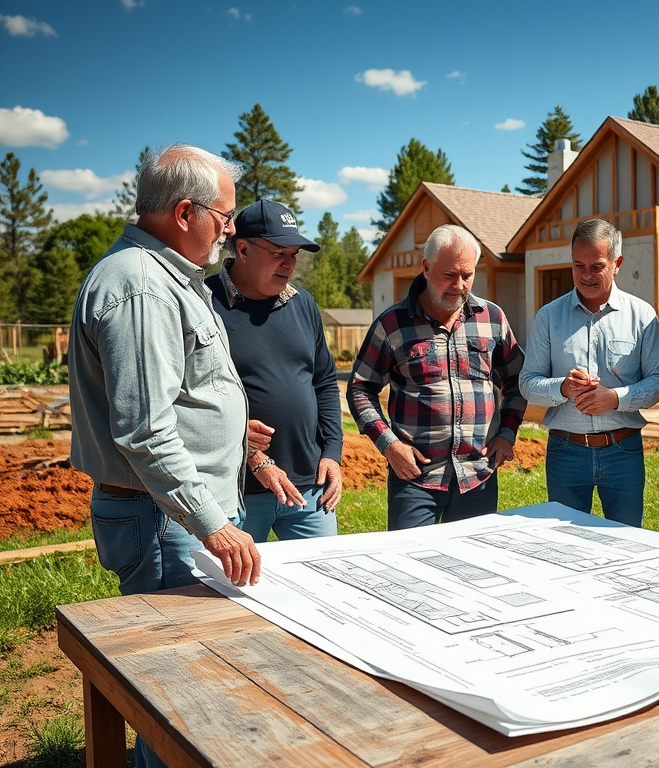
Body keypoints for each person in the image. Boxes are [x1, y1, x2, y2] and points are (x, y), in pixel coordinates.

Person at [68, 144, 259, 768]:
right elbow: (146, 430)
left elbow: (173, 399)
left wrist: (231, 433)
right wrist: (215, 525)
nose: (230, 232)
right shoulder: (145, 286)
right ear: (184, 212)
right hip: (167, 522)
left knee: (191, 676)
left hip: (172, 514)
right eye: (225, 218)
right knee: (172, 688)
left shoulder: (162, 277)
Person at [347, 224, 526, 530]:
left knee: (472, 570)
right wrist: (390, 446)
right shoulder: (392, 324)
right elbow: (360, 389)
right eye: (449, 275)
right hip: (415, 478)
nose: (459, 285)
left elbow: (517, 379)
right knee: (410, 569)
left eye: (467, 276)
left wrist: (507, 433)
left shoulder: (492, 318)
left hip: (477, 477)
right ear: (427, 269)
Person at [207, 199, 343, 543]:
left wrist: (332, 453)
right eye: (279, 253)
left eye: (294, 255)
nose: (289, 265)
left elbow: (324, 381)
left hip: (309, 488)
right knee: (232, 590)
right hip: (236, 491)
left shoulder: (302, 303)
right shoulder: (204, 302)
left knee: (324, 580)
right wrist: (251, 454)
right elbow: (188, 397)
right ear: (242, 249)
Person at [520, 219, 659, 527]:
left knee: (628, 542)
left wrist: (615, 398)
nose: (586, 275)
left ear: (617, 263)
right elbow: (527, 383)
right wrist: (562, 387)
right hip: (566, 452)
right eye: (578, 265)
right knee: (566, 546)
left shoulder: (641, 316)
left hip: (623, 451)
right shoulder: (549, 317)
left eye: (596, 266)